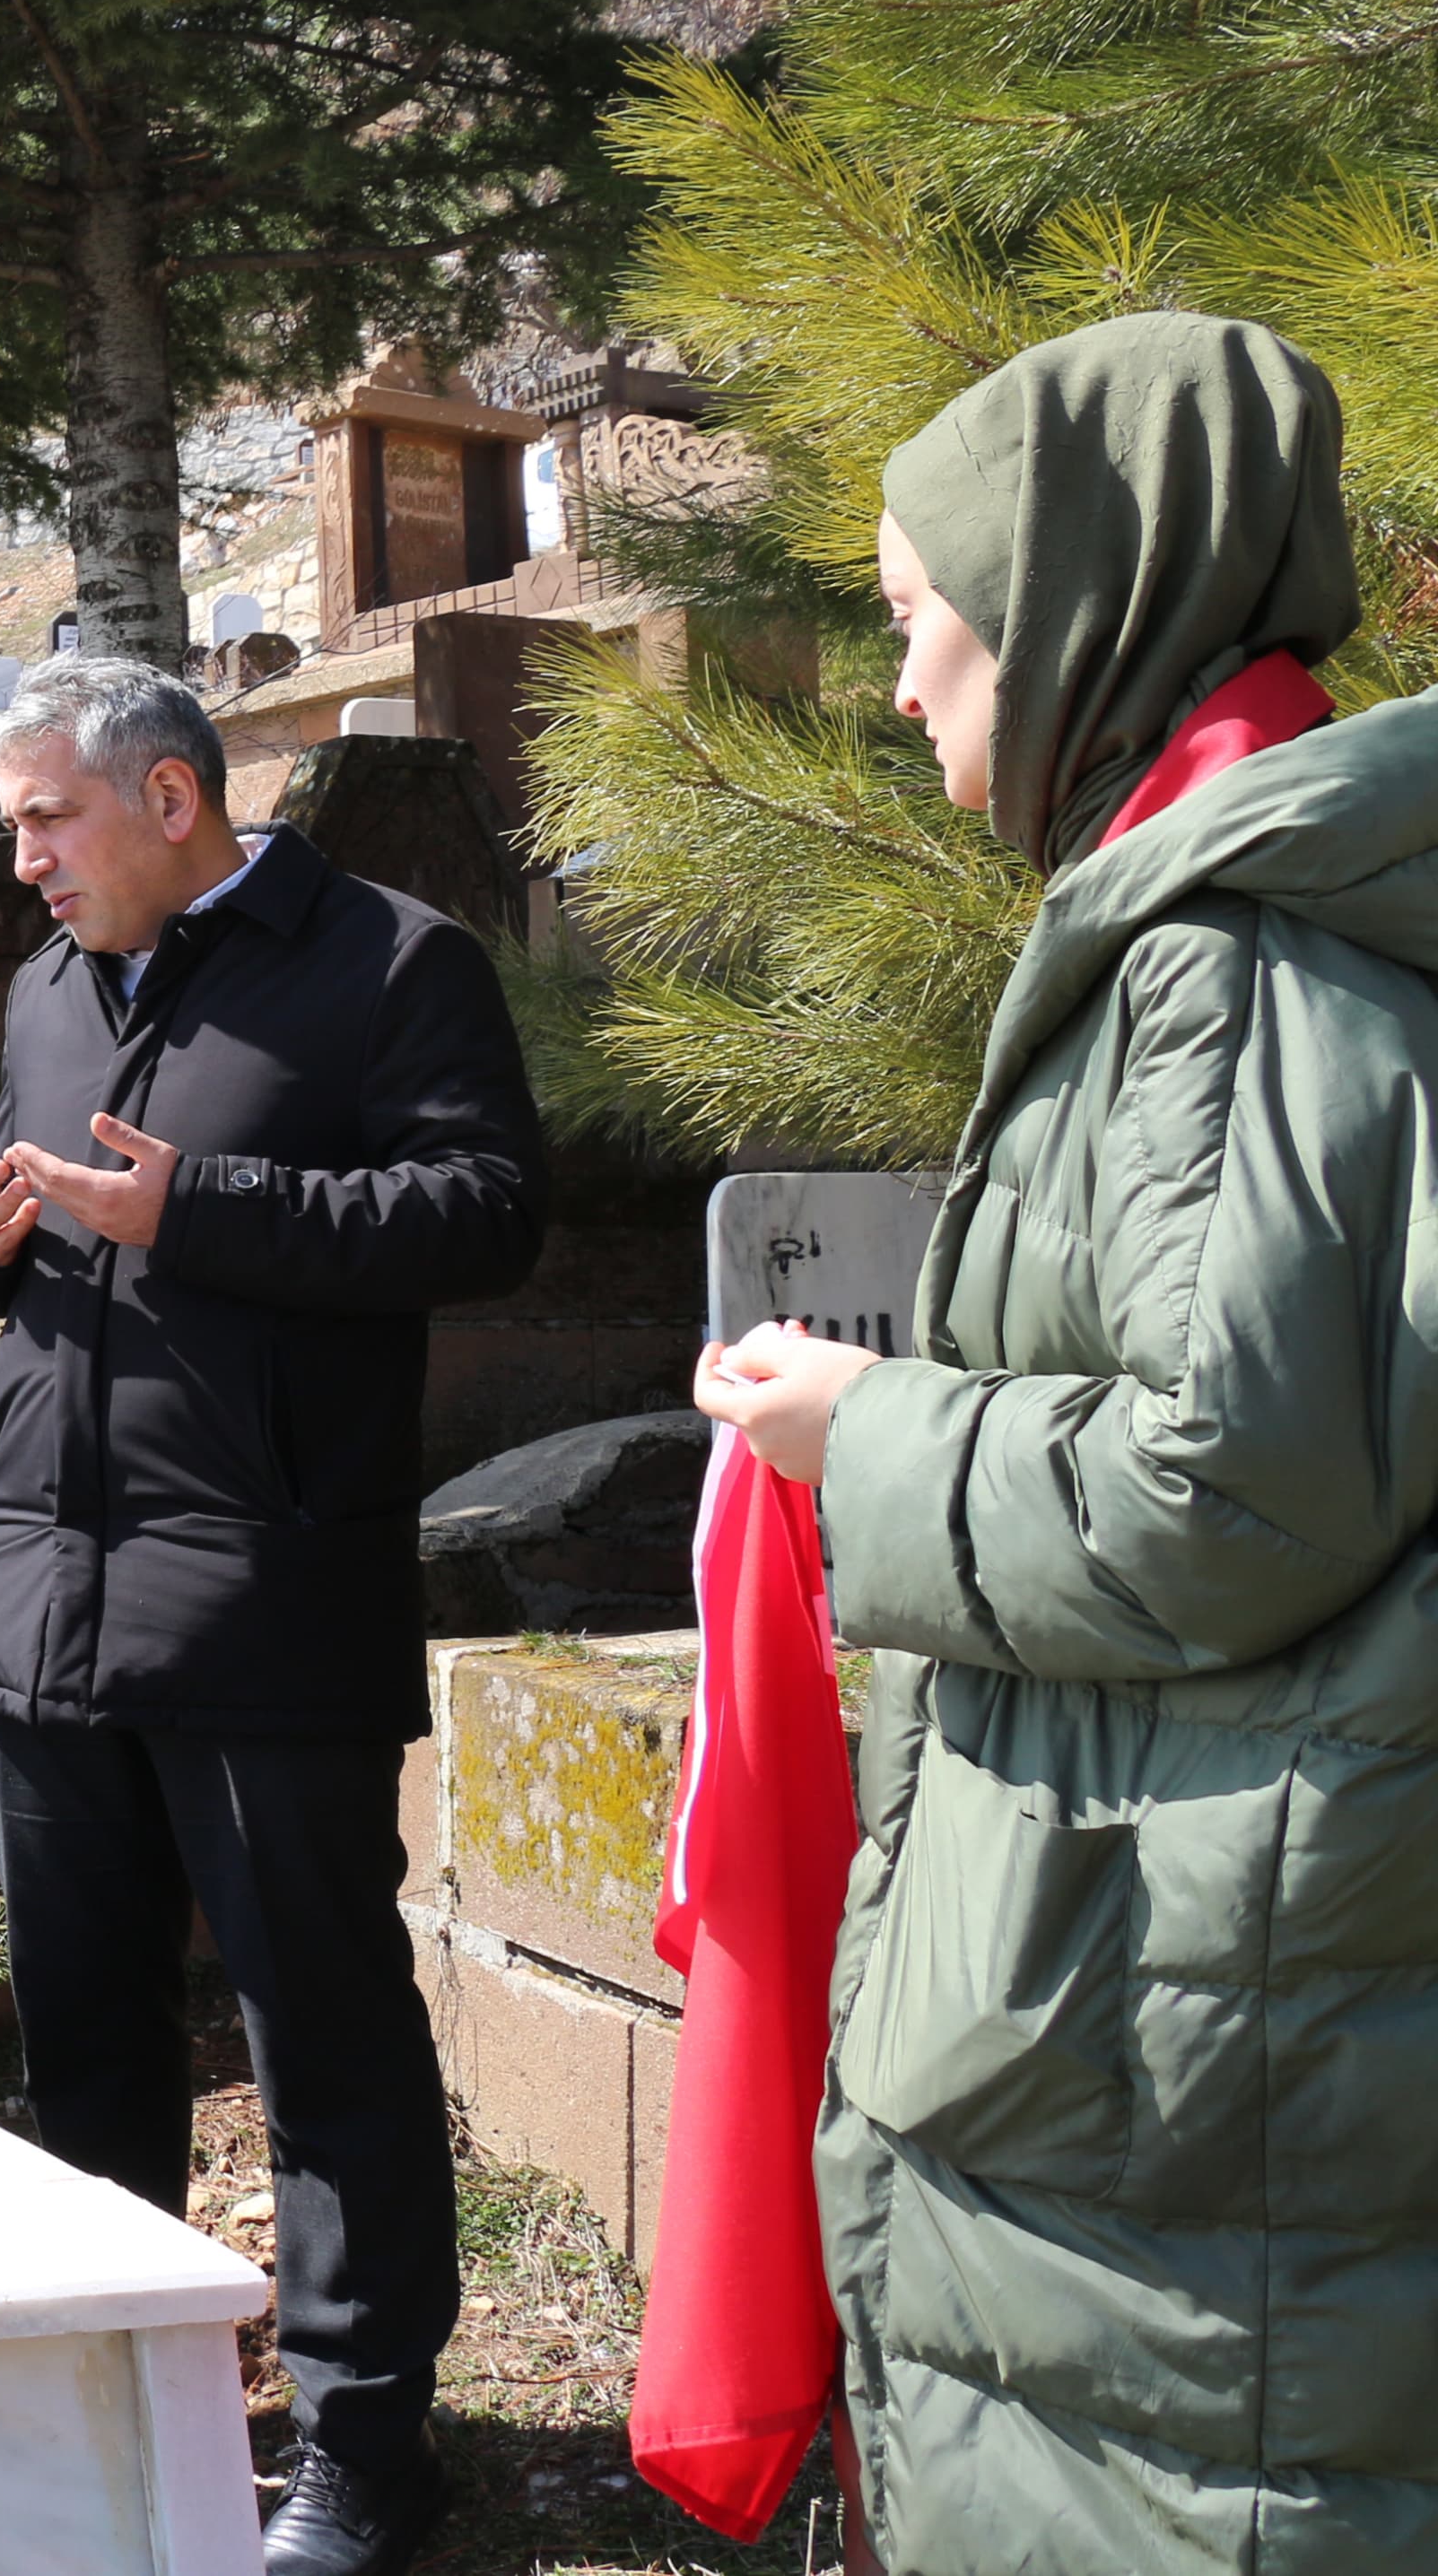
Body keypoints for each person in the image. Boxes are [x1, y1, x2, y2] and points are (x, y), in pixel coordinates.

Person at [696, 312, 1436, 2573]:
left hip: (1189, 2036)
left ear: (1082, 612)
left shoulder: (1236, 959)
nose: (901, 687)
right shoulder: (1218, 917)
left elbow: (1234, 1483)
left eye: (923, 628)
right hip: (1172, 1988)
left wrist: (866, 1427)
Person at [0, 653, 548, 2576]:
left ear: (171, 800)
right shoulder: (46, 988)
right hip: (42, 1590)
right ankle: (109, 2396)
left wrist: (198, 1207)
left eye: (48, 816)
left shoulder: (386, 963)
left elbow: (483, 1216)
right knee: (84, 2034)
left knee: (321, 2036)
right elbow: (61, 1287)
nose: (20, 855)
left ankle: (366, 2452)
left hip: (264, 1590)